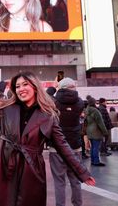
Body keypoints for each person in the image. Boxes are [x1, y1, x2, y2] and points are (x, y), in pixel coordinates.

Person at [0, 72, 95, 206]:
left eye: (25, 84)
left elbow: (63, 146)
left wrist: (82, 172)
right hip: (6, 165)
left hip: (32, 169)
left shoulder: (48, 116)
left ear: (35, 87)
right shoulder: (6, 109)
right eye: (17, 86)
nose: (21, 89)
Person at [49, 78, 85, 206]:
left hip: (57, 146)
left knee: (59, 181)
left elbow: (46, 97)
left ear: (61, 87)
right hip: (75, 146)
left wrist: (54, 88)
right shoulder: (80, 103)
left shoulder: (54, 102)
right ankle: (77, 204)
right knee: (75, 181)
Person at [85, 96, 108, 166]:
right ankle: (96, 161)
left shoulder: (87, 110)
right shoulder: (95, 111)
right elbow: (100, 123)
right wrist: (105, 132)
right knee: (96, 147)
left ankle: (92, 161)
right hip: (96, 131)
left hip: (89, 130)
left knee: (93, 147)